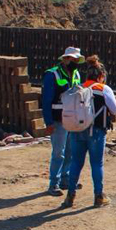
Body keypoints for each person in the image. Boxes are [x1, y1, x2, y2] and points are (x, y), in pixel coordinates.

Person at [62, 56, 116, 209]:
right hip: (96, 132)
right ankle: (98, 196)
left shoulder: (79, 87)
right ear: (101, 76)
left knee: (76, 163)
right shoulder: (103, 89)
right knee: (96, 164)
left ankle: (70, 197)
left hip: (77, 130)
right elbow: (115, 109)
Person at [41, 47, 83, 195]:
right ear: (65, 59)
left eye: (77, 60)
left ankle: (65, 180)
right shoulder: (52, 74)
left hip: (72, 119)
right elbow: (46, 100)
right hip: (58, 120)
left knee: (71, 151)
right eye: (73, 59)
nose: (76, 62)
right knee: (59, 153)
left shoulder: (76, 74)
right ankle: (54, 184)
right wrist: (49, 122)